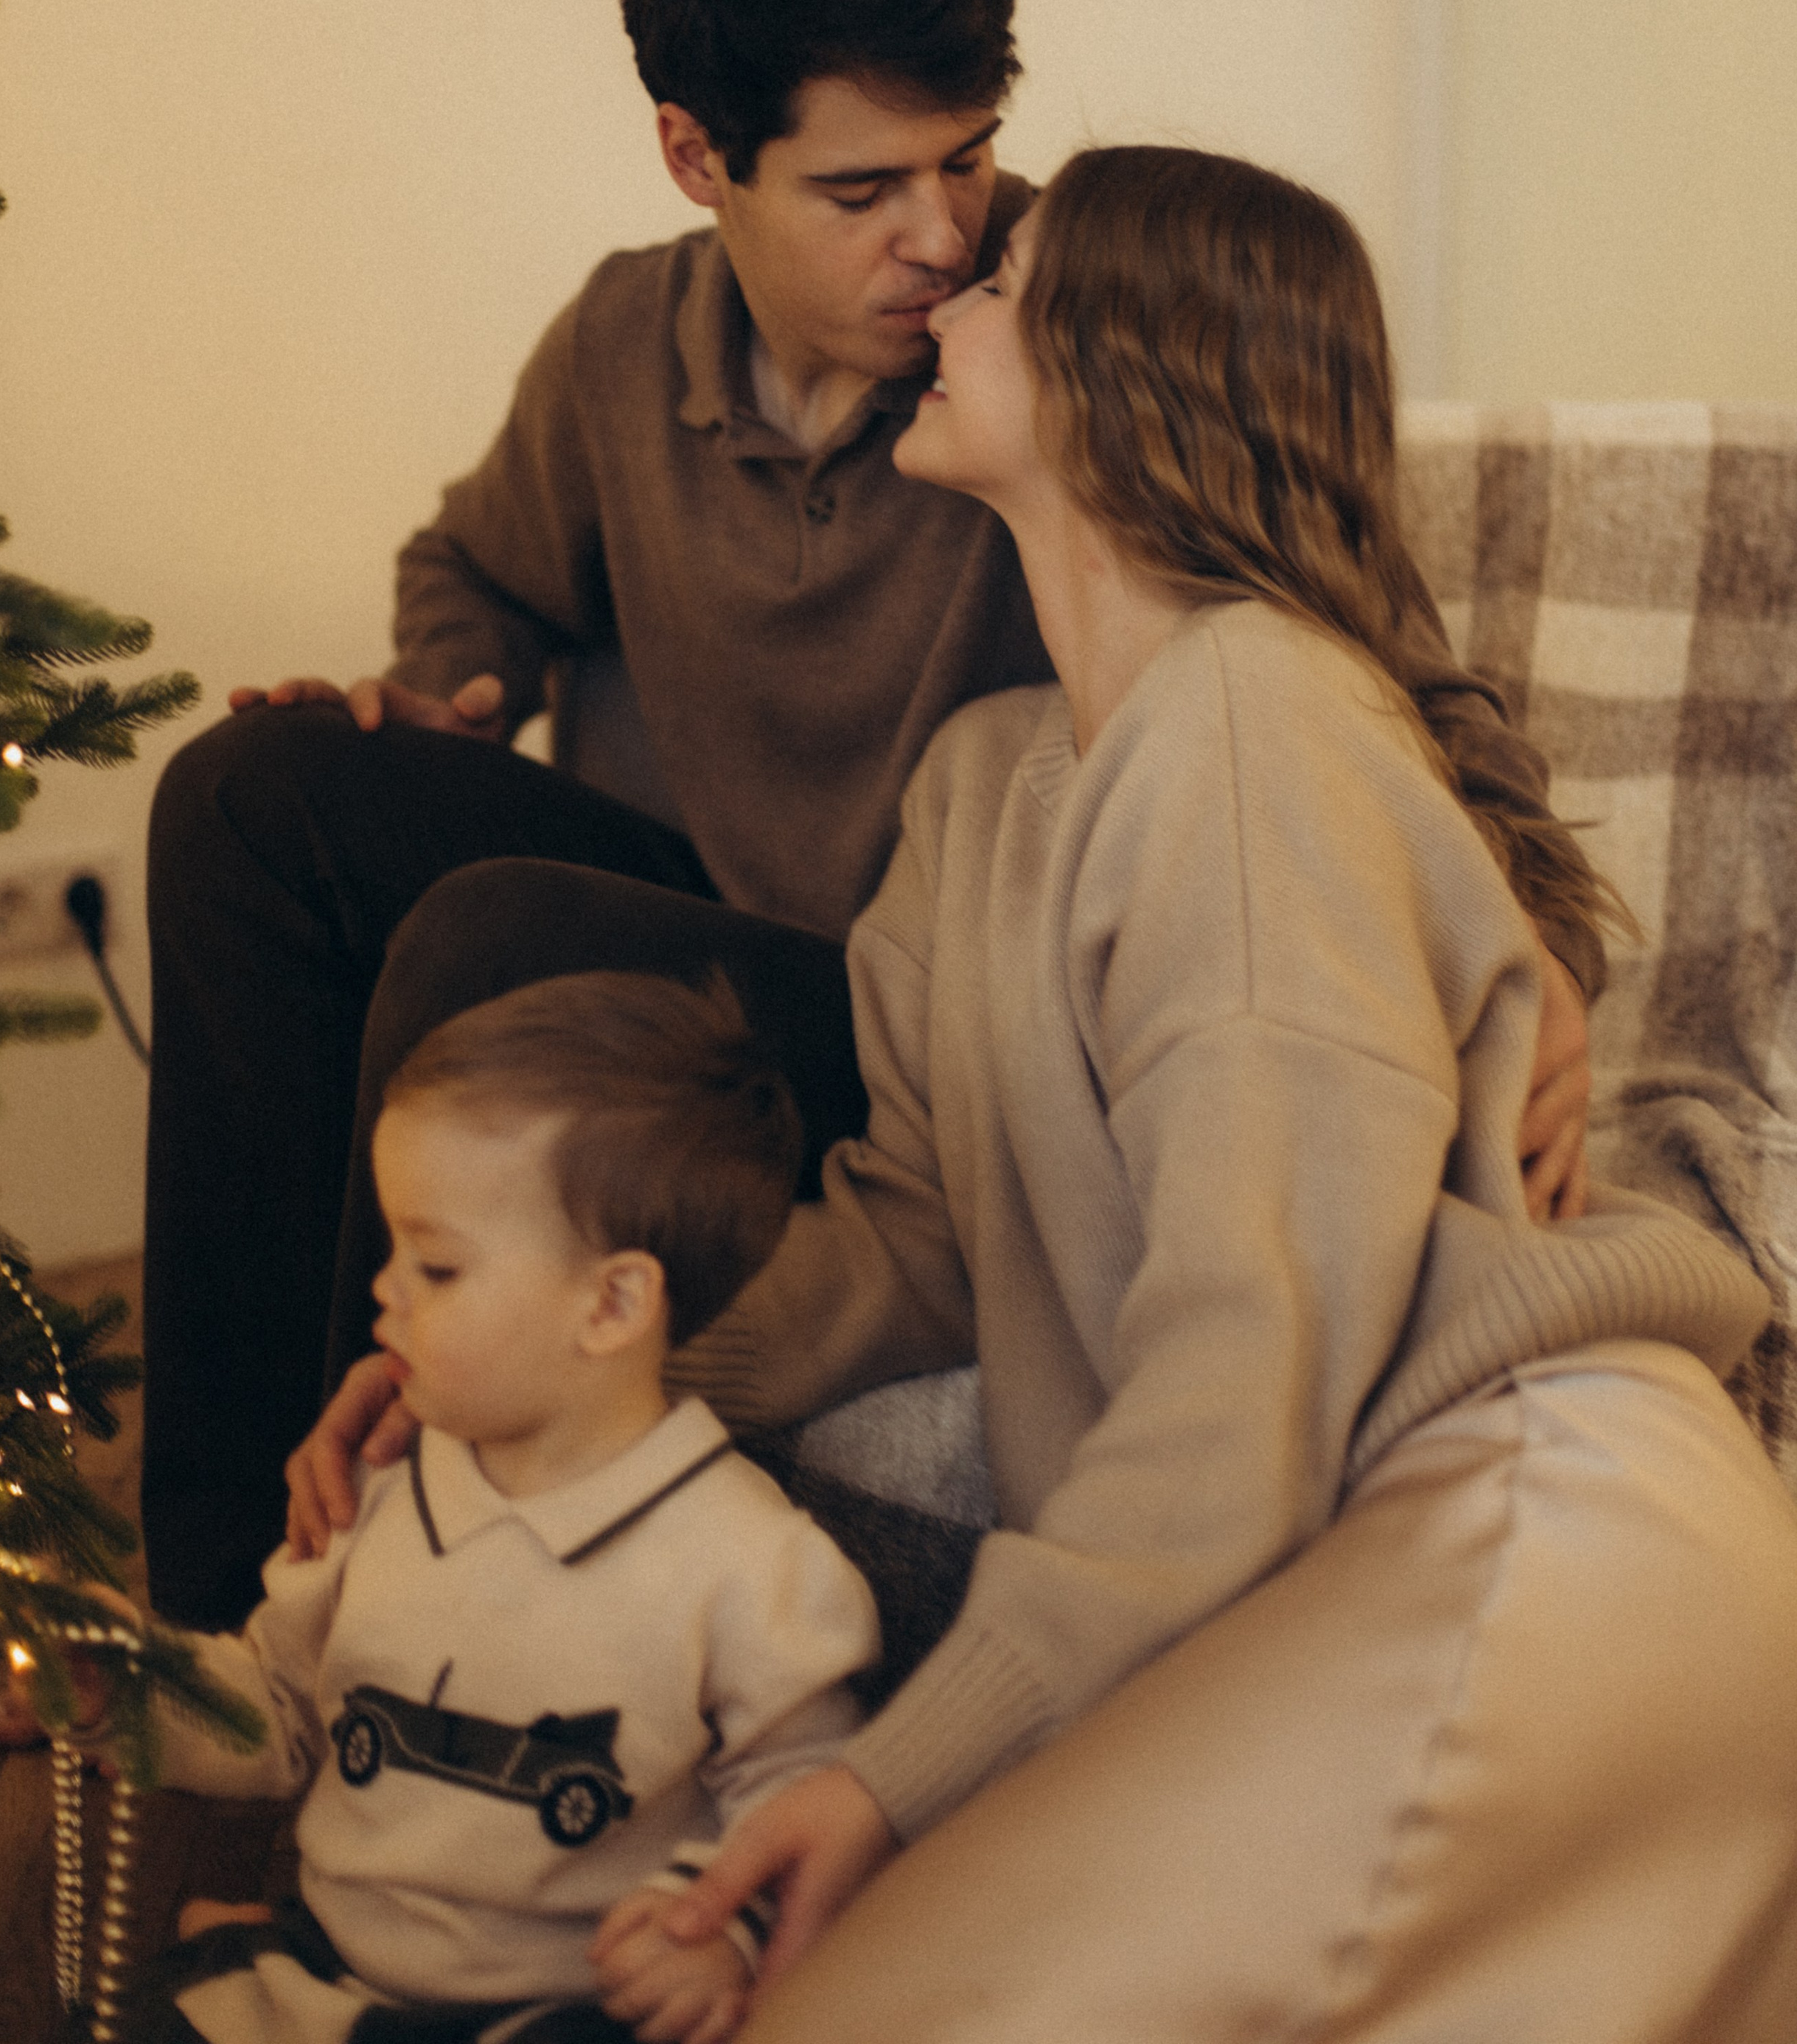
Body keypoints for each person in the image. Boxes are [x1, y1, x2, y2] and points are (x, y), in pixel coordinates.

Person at [311, 147, 1797, 2038]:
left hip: (1522, 1531)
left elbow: (1245, 1360)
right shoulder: (991, 780)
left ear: (1121, 371)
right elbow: (917, 1233)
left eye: (1004, 286)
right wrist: (560, 1370)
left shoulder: (1255, 721)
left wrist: (891, 1767)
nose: (948, 296)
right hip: (1329, 1556)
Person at [148, 0, 1597, 1633]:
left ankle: (406, 1579)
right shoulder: (616, 350)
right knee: (249, 793)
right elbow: (480, 571)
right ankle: (217, 1595)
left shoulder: (1064, 330)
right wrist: (448, 697)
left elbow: (1387, 673)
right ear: (697, 158)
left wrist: (1531, 947)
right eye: (859, 193)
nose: (939, 236)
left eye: (967, 159)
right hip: (710, 935)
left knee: (493, 934)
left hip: (928, 1011)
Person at [109, 969, 879, 2044]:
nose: (383, 1291)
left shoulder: (754, 1565)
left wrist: (719, 1932)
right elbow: (276, 1716)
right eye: (392, 1251)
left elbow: (799, 1795)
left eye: (434, 1264)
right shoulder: (382, 1492)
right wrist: (119, 1680)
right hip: (330, 1970)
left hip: (555, 2008)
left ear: (611, 1304)